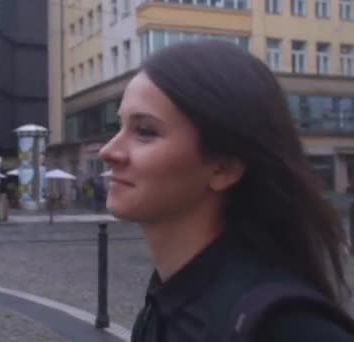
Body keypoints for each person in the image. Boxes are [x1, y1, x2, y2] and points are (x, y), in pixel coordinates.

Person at [99, 40, 354, 342]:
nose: (108, 151)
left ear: (224, 168)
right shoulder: (162, 304)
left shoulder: (285, 327)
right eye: (120, 126)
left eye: (145, 131)